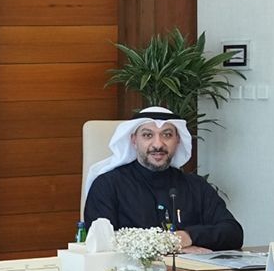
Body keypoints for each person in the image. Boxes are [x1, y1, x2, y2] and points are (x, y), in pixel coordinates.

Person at [82, 106, 243, 252]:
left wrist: (188, 236)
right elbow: (103, 243)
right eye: (148, 135)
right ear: (134, 140)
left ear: (177, 140)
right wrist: (172, 248)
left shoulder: (196, 186)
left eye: (167, 135)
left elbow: (233, 233)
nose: (158, 144)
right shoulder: (108, 185)